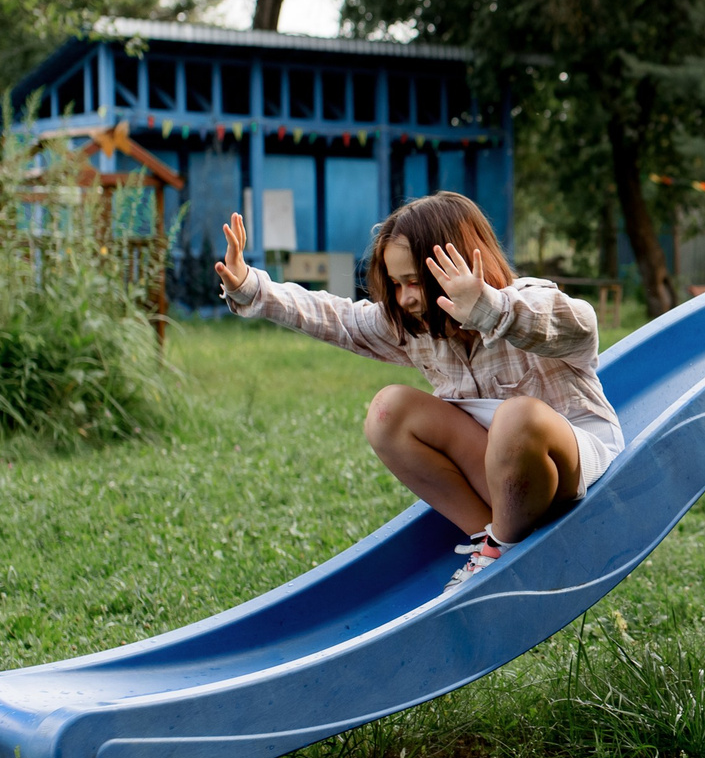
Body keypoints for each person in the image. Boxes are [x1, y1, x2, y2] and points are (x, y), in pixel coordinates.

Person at [213, 191, 623, 589]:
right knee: (389, 411)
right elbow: (338, 318)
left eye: (415, 281)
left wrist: (488, 309)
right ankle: (488, 538)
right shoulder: (419, 328)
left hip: (568, 469)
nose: (405, 297)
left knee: (516, 415)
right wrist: (252, 288)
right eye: (395, 284)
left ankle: (505, 545)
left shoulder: (525, 304)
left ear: (458, 263)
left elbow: (578, 325)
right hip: (500, 481)